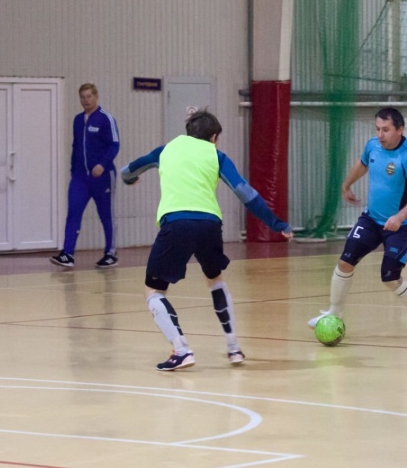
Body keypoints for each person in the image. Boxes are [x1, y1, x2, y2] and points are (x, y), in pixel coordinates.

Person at [121, 109, 293, 371]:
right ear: (214, 137)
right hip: (210, 225)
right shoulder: (216, 155)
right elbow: (246, 193)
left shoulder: (165, 150)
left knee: (154, 290)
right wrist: (276, 224)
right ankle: (234, 348)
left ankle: (181, 350)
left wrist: (130, 179)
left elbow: (127, 171)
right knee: (215, 280)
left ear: (189, 130)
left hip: (177, 223)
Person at [308, 107, 407, 341]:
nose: (380, 134)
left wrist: (399, 217)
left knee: (390, 276)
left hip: (402, 225)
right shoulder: (373, 146)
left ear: (400, 129)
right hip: (371, 219)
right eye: (377, 129)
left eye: (386, 130)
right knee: (345, 262)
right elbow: (363, 163)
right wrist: (346, 185)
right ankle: (334, 313)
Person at [50, 83, 120, 269]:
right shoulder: (78, 120)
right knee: (73, 212)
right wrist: (74, 170)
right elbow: (76, 146)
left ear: (96, 97)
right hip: (80, 177)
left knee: (106, 215)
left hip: (102, 176)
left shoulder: (106, 119)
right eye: (82, 97)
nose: (86, 100)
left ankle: (111, 253)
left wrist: (102, 164)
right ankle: (67, 254)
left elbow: (115, 145)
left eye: (89, 96)